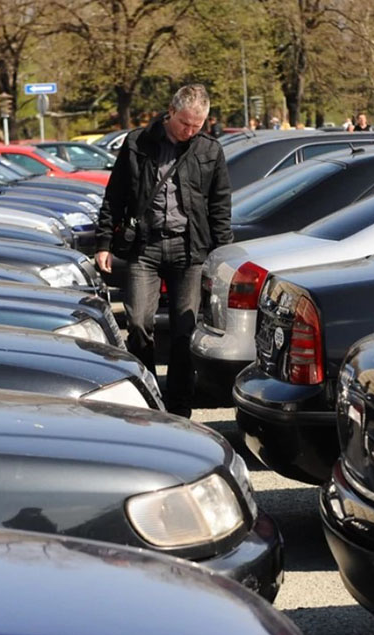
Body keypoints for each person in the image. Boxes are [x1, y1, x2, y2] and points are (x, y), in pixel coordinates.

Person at [94, 84, 232, 417]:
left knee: (185, 332)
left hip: (189, 249)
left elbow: (220, 205)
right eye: (186, 123)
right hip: (146, 246)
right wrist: (103, 243)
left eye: (198, 125)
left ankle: (180, 407)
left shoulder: (209, 150)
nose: (191, 131)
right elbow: (114, 196)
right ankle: (148, 397)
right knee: (139, 323)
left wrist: (223, 252)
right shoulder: (138, 144)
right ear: (170, 112)